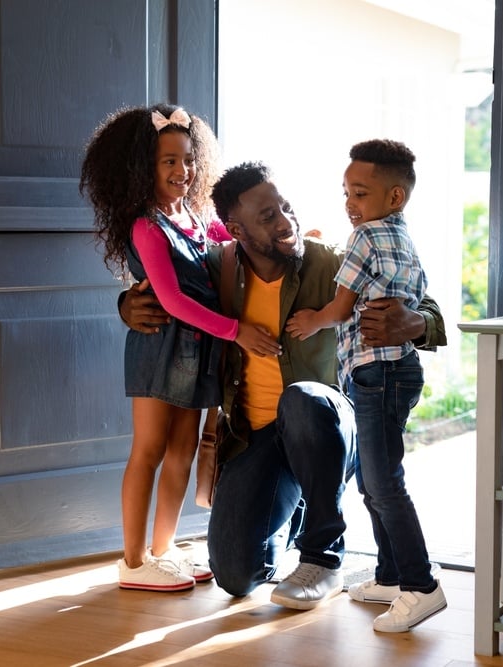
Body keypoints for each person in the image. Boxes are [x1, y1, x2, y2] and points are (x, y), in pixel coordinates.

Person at [118, 161, 446, 615]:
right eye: (268, 216)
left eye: (286, 208)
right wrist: (126, 305)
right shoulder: (219, 269)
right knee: (235, 575)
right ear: (236, 229)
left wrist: (418, 322)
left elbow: (419, 294)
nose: (285, 222)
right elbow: (169, 288)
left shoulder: (327, 260)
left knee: (303, 398)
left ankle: (323, 557)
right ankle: (292, 518)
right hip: (256, 437)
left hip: (325, 424)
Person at [80, 104, 280, 592]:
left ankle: (164, 549)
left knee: (183, 453)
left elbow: (236, 242)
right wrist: (235, 331)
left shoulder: (195, 218)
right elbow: (170, 299)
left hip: (199, 354)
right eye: (168, 160)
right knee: (148, 450)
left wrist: (289, 236)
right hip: (159, 349)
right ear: (142, 167)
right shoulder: (146, 227)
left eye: (188, 159)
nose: (182, 170)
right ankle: (133, 562)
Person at [284, 139, 444, 632]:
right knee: (377, 480)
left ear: (394, 197)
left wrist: (312, 321)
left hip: (375, 373)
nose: (349, 204)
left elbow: (339, 308)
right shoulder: (403, 237)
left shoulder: (362, 240)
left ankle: (422, 586)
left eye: (360, 193)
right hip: (399, 372)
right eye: (346, 193)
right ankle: (391, 576)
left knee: (382, 482)